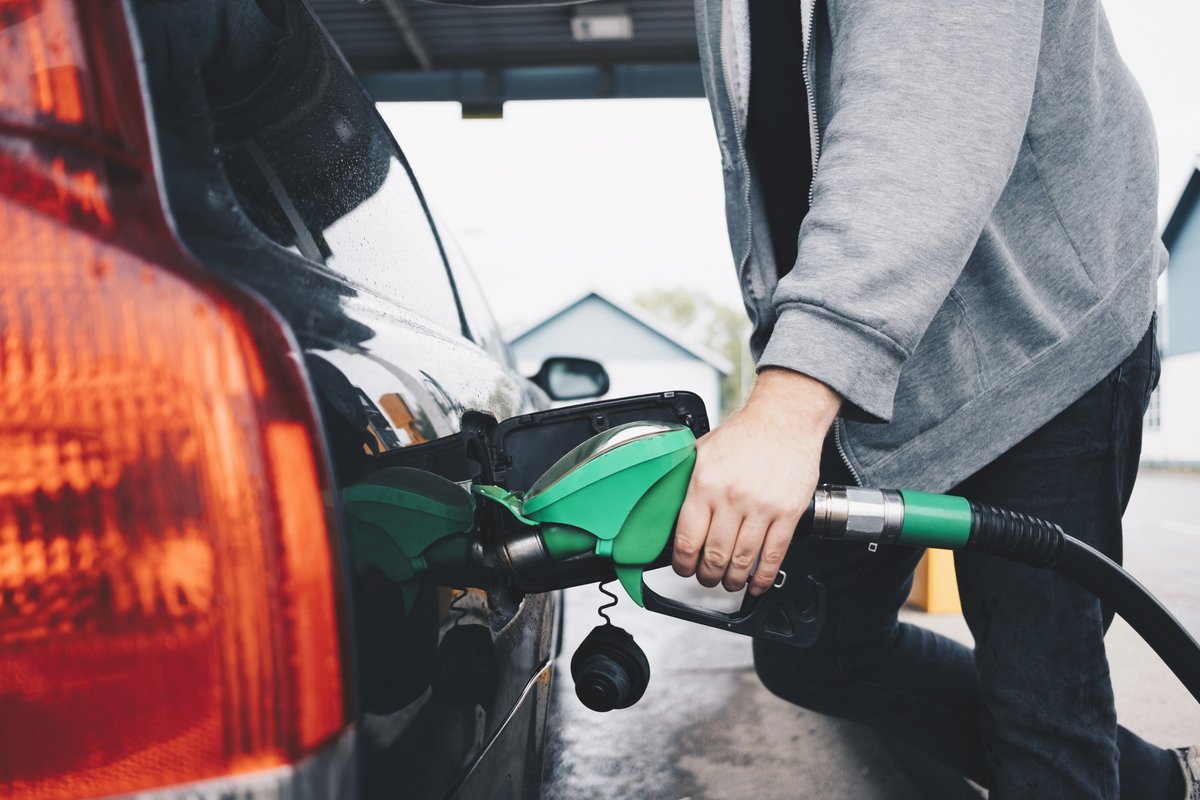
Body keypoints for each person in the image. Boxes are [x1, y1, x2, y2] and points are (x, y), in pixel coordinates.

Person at [671, 1, 1197, 797]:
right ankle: (1155, 785)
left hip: (1041, 341)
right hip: (879, 363)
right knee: (810, 646)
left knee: (1041, 711)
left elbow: (926, 122)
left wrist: (790, 404)